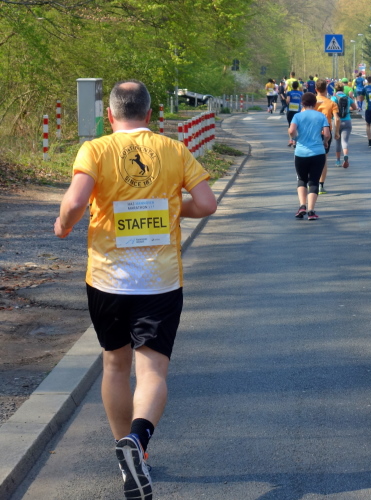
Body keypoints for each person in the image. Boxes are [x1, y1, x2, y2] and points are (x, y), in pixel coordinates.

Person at [54, 80, 217, 500]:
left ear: (110, 115)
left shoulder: (95, 149)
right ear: (149, 114)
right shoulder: (173, 149)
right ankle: (138, 443)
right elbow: (206, 204)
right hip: (160, 281)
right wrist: (171, 208)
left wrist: (63, 225)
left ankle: (122, 449)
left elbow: (75, 202)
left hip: (107, 279)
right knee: (152, 370)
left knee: (114, 365)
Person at [289, 92, 331, 220]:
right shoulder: (321, 116)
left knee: (302, 179)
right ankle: (311, 211)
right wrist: (325, 142)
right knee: (314, 181)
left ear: (302, 103)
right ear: (315, 104)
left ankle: (302, 206)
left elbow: (291, 130)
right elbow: (327, 134)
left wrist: (294, 138)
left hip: (301, 153)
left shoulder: (297, 116)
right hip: (318, 153)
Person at [314, 79, 339, 194]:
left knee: (311, 157)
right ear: (326, 89)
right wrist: (337, 132)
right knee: (323, 159)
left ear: (316, 89)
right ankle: (321, 186)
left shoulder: (311, 102)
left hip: (312, 133)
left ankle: (311, 182)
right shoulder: (331, 103)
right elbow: (337, 119)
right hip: (326, 133)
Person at [331, 81, 357, 169]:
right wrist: (347, 109)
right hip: (347, 121)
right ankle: (345, 156)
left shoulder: (333, 98)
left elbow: (331, 109)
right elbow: (355, 107)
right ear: (343, 89)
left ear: (335, 89)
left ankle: (338, 161)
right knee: (345, 141)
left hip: (336, 121)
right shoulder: (348, 98)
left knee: (337, 141)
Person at [286, 81, 304, 146]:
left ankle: (291, 140)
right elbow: (302, 102)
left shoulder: (289, 93)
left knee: (290, 125)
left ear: (292, 86)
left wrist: (287, 102)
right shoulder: (301, 93)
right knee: (296, 126)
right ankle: (295, 141)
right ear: (298, 86)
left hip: (290, 110)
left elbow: (288, 100)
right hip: (297, 111)